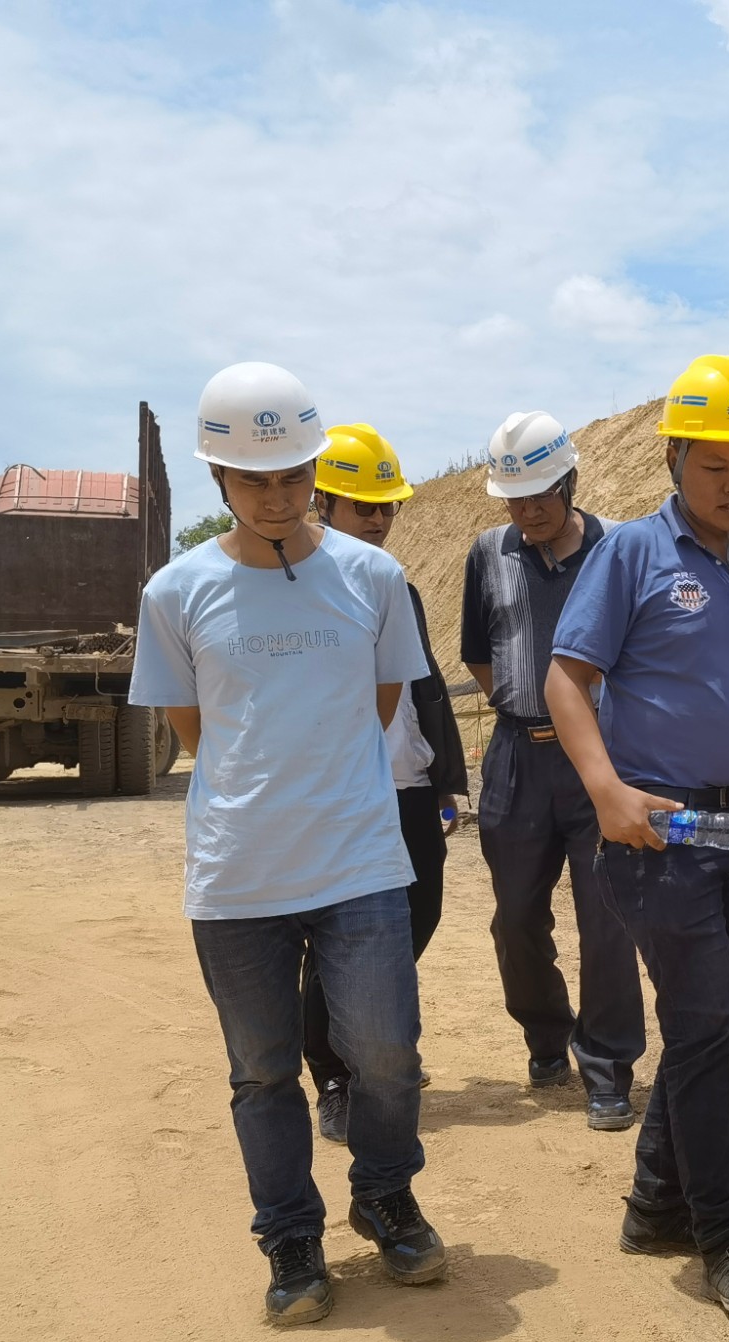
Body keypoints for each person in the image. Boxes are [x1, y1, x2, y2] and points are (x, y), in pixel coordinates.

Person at [130, 363, 446, 1327]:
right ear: (218, 479)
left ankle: (384, 1195)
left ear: (316, 471)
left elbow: (377, 707)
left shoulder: (374, 579)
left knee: (387, 1055)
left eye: (294, 476)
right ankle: (290, 1237)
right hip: (238, 875)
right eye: (253, 479)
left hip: (359, 863)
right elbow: (194, 728)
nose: (277, 496)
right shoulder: (176, 592)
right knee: (262, 1070)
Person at [545, 354, 729, 1314]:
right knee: (704, 1023)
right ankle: (722, 1234)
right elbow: (566, 678)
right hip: (660, 831)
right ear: (673, 461)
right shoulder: (632, 554)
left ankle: (655, 1204)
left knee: (718, 1025)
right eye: (716, 466)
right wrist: (606, 792)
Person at [462, 410, 646, 1130]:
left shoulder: (619, 548)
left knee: (607, 919)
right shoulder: (487, 553)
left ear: (570, 481)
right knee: (515, 918)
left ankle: (609, 1067)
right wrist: (522, 707)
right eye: (514, 498)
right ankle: (546, 1036)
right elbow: (479, 653)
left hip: (600, 758)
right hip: (516, 759)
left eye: (540, 493)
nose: (528, 510)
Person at [302, 423, 466, 1145]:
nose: (378, 519)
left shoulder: (399, 586)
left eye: (387, 506)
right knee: (336, 938)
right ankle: (335, 1076)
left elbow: (426, 690)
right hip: (337, 794)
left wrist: (442, 778)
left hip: (407, 788)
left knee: (415, 920)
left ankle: (376, 1047)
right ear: (324, 503)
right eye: (363, 506)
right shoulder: (299, 593)